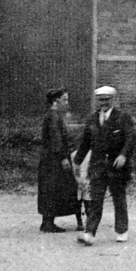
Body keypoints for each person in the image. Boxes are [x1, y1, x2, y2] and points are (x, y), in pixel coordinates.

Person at [73, 86, 136, 246]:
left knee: (118, 199)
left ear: (113, 100)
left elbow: (130, 139)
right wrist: (77, 161)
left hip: (117, 166)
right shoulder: (92, 119)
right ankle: (89, 233)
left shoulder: (122, 118)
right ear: (97, 101)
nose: (104, 103)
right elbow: (85, 143)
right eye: (101, 100)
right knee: (95, 200)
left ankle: (122, 230)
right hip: (98, 166)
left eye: (107, 100)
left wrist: (123, 155)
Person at [38, 88, 80, 233]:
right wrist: (63, 157)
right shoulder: (53, 117)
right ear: (56, 101)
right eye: (65, 99)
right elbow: (56, 139)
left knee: (51, 189)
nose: (67, 103)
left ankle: (47, 221)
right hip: (54, 160)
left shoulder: (53, 115)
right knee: (52, 189)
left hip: (51, 158)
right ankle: (48, 223)